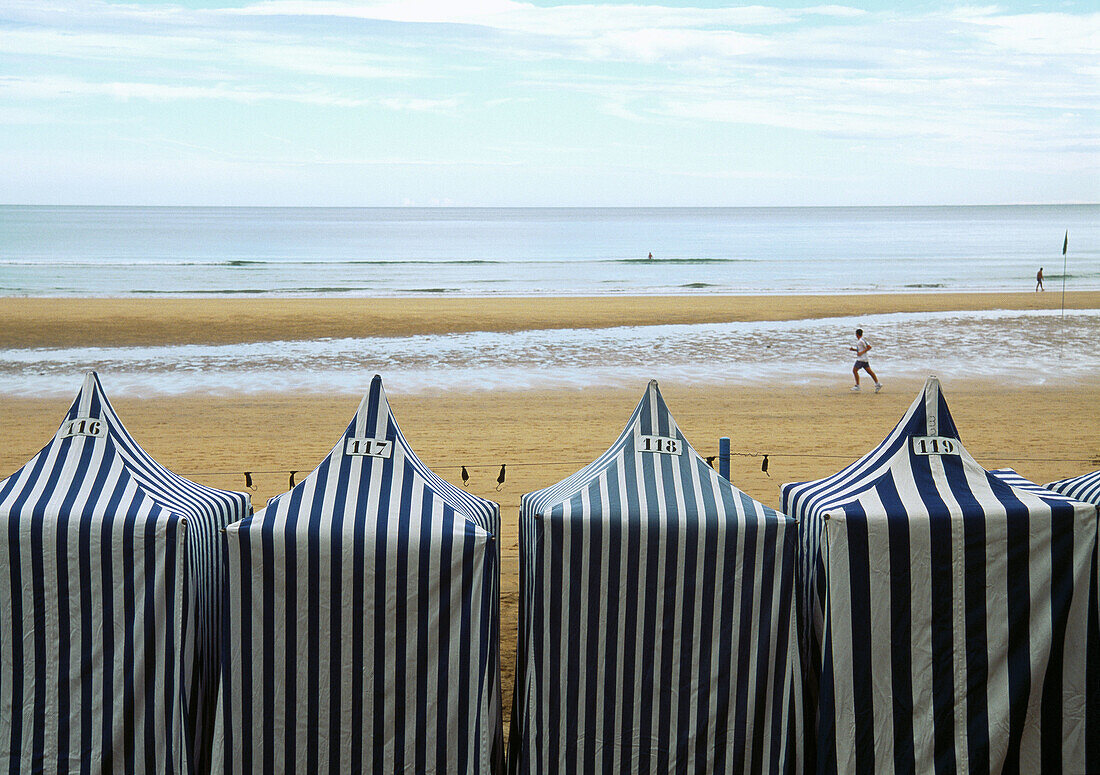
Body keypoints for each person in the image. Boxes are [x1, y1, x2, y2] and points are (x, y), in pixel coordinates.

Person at [850, 328, 882, 392]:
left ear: (857, 334)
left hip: (861, 359)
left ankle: (857, 386)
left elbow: (869, 347)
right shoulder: (860, 341)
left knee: (854, 370)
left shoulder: (861, 341)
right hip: (864, 359)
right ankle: (877, 384)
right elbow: (860, 350)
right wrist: (854, 350)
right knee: (869, 372)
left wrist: (861, 353)